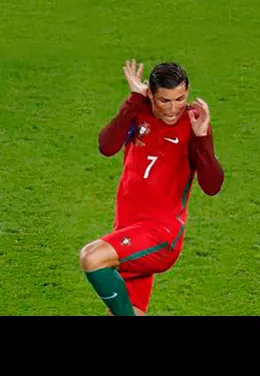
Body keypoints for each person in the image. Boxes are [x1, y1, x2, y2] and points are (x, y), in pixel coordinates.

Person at [79, 59, 224, 316]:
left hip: (161, 235)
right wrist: (134, 100)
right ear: (151, 95)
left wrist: (202, 137)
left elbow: (212, 186)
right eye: (164, 101)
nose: (173, 109)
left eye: (180, 99)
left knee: (92, 257)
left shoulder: (193, 123)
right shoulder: (138, 112)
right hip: (128, 231)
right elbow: (107, 146)